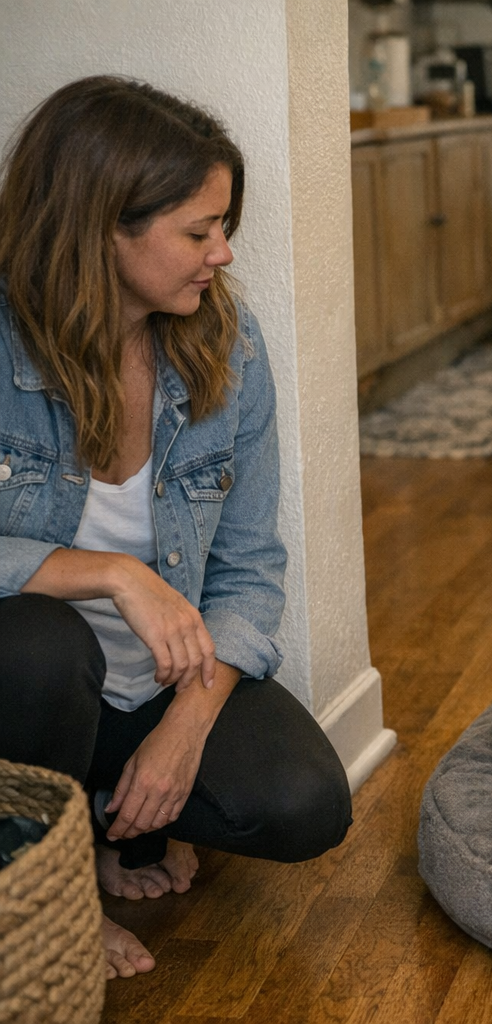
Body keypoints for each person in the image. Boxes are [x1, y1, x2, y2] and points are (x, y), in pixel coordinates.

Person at [0, 76, 352, 980]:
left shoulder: (225, 346)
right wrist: (114, 575)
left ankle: (110, 810)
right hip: (26, 695)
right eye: (199, 232)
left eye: (223, 227)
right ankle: (46, 889)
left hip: (148, 688)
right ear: (101, 227)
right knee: (40, 647)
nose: (224, 255)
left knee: (305, 805)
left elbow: (248, 568)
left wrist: (184, 730)